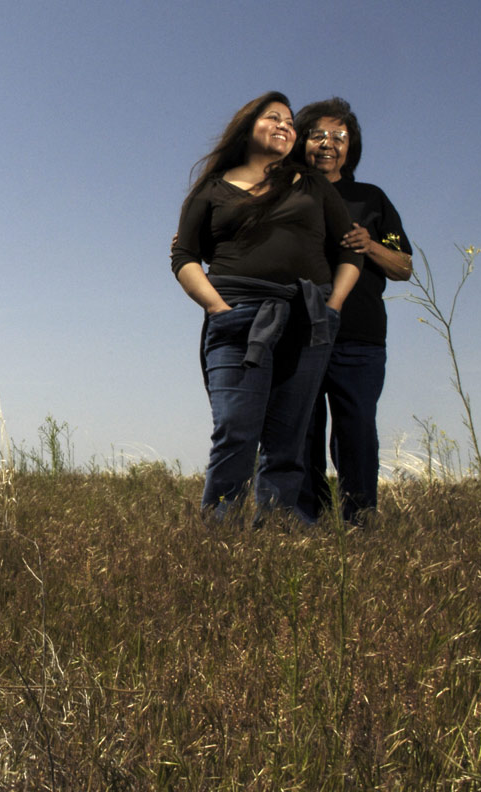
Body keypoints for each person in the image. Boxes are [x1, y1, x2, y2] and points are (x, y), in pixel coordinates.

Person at [171, 92, 362, 524]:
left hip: (308, 317)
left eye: (290, 121)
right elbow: (184, 257)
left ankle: (278, 535)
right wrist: (219, 309)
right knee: (235, 429)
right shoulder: (212, 188)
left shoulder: (311, 184)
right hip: (238, 317)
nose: (285, 125)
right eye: (273, 117)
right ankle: (220, 533)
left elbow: (351, 251)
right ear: (246, 126)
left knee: (288, 437)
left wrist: (331, 307)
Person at [292, 98, 413, 524]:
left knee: (356, 429)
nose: (329, 144)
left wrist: (371, 244)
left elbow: (404, 267)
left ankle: (359, 521)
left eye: (340, 138)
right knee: (300, 429)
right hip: (295, 333)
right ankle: (305, 521)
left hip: (359, 336)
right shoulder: (283, 191)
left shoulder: (371, 198)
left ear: (351, 148)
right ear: (300, 140)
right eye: (319, 135)